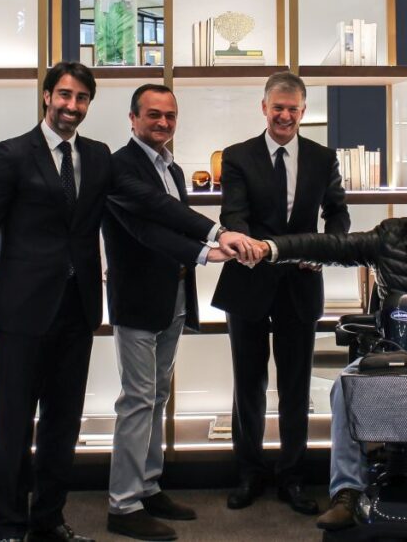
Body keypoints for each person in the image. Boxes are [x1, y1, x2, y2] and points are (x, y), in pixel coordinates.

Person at [248, 160, 407, 532]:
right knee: (344, 385)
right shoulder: (390, 236)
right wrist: (273, 247)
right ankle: (346, 491)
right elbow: (332, 246)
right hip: (390, 349)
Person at [0, 61, 107, 542]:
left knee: (63, 425)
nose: (72, 106)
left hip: (78, 309)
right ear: (47, 96)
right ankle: (8, 526)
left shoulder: (98, 156)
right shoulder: (11, 154)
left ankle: (48, 520)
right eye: (64, 95)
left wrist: (208, 241)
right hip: (22, 312)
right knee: (15, 425)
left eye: (81, 98)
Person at [102, 84, 254, 541]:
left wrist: (203, 250)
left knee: (158, 396)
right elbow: (149, 226)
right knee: (137, 399)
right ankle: (123, 504)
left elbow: (170, 221)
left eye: (170, 115)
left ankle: (148, 487)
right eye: (153, 115)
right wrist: (212, 245)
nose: (163, 123)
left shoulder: (174, 168)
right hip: (137, 301)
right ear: (132, 118)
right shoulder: (118, 167)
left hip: (173, 296)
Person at [213, 71, 350, 515]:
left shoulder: (323, 158)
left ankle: (292, 477)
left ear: (303, 111)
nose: (285, 115)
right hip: (248, 281)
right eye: (278, 107)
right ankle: (249, 473)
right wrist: (248, 245)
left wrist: (326, 249)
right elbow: (233, 214)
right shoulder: (237, 156)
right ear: (264, 108)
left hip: (300, 284)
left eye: (293, 109)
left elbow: (338, 213)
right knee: (248, 385)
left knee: (295, 387)